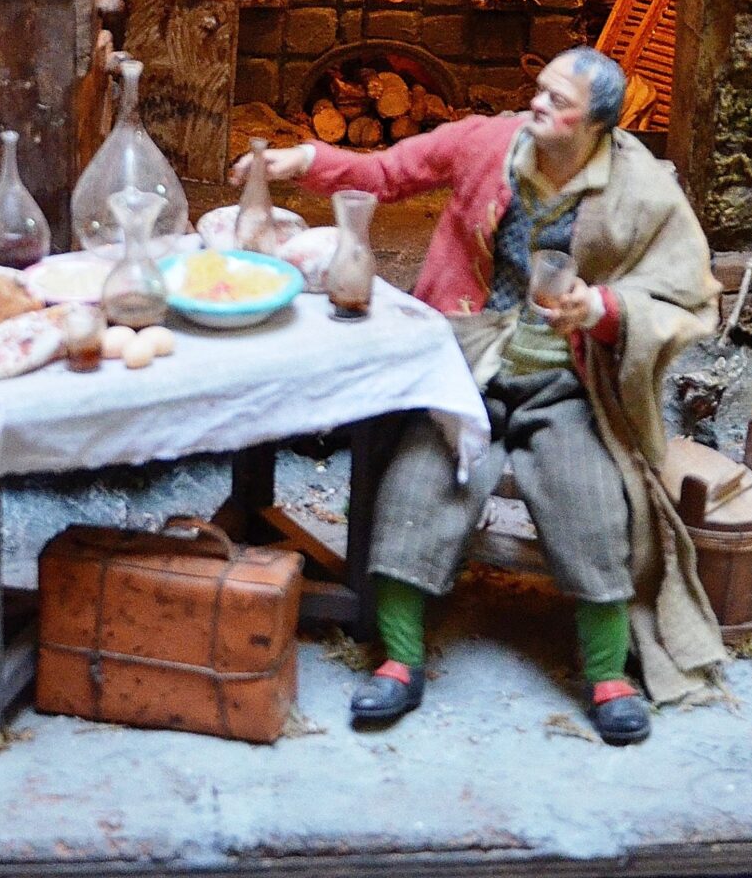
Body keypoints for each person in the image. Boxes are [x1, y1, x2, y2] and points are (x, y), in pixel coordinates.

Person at [239, 47, 726, 744]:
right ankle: (400, 660)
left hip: (567, 383)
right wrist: (307, 160)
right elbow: (388, 172)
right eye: (539, 89)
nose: (537, 105)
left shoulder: (641, 189)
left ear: (598, 125)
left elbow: (686, 292)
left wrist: (602, 308)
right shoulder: (489, 144)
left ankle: (606, 674)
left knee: (592, 498)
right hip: (464, 364)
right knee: (418, 485)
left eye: (558, 101)